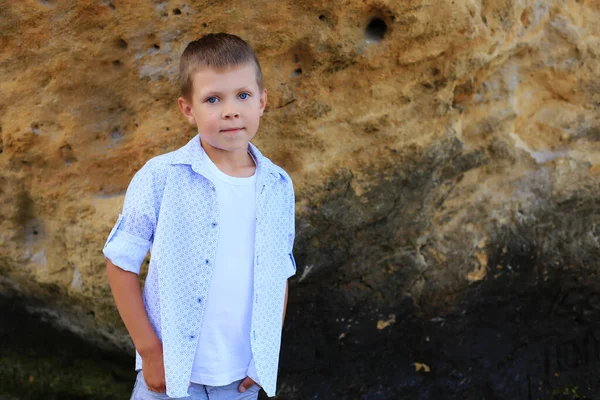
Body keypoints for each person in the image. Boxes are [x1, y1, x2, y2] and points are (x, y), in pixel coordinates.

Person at [103, 33, 296, 399]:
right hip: (170, 373)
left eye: (243, 95)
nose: (231, 110)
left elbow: (278, 275)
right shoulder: (160, 176)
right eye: (212, 99)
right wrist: (149, 352)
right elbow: (120, 263)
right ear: (188, 109)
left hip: (239, 379)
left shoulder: (278, 185)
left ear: (263, 101)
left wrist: (264, 358)